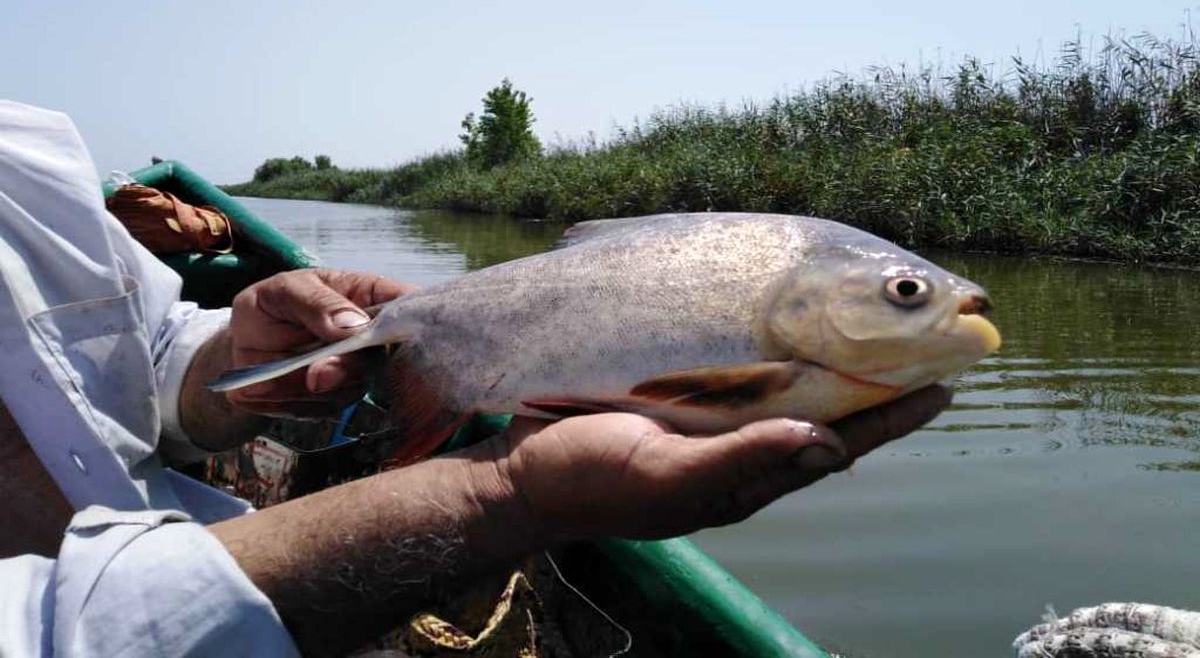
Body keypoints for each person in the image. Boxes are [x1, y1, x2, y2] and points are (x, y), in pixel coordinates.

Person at [0, 99, 952, 656]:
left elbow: (128, 364)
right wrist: (503, 493)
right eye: (906, 293)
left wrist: (215, 361)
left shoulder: (28, 157)